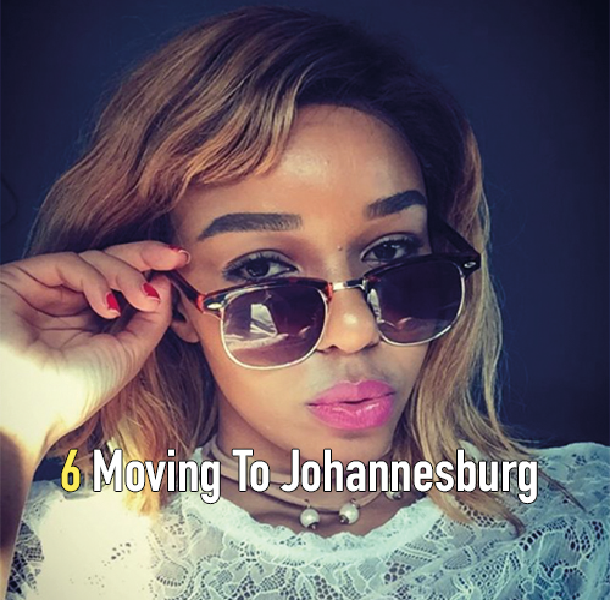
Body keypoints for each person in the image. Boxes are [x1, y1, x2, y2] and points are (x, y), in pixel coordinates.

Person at [1, 6, 608, 599]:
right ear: (176, 304)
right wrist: (16, 404)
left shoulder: (577, 524)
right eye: (263, 269)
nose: (355, 329)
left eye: (392, 250)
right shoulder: (58, 560)